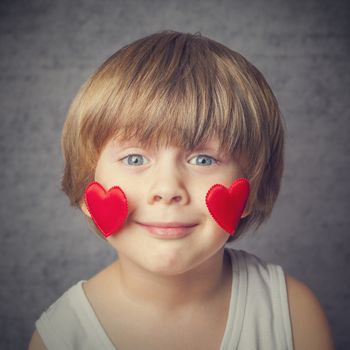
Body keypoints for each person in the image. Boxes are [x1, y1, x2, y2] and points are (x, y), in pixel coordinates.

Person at [28, 30, 335, 350]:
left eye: (203, 159)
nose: (167, 189)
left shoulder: (293, 314)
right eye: (135, 158)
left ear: (250, 189)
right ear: (85, 190)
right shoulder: (59, 338)